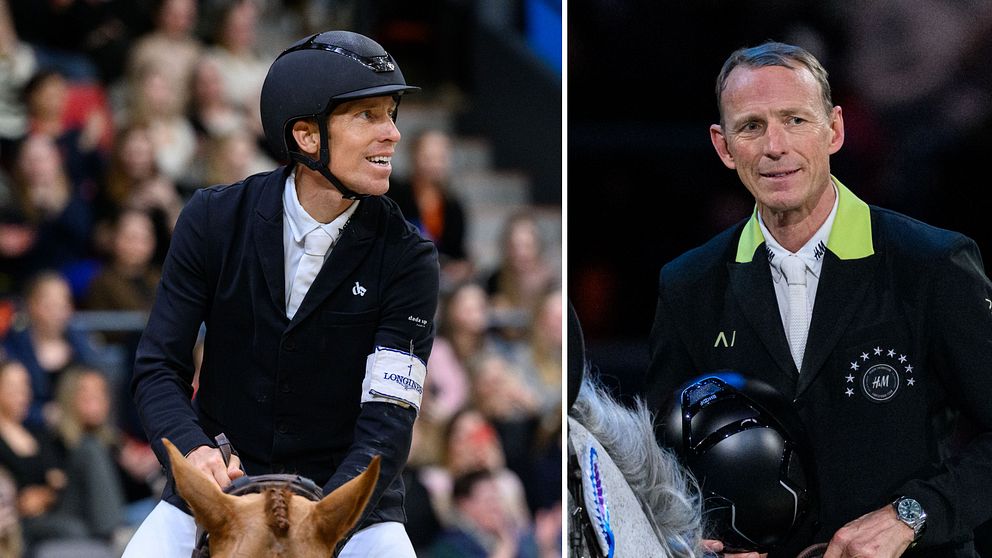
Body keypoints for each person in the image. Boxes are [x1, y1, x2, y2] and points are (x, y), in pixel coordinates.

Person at [644, 41, 992, 558]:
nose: (775, 146)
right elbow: (660, 464)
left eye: (795, 120)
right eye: (751, 126)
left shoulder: (930, 264)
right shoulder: (689, 285)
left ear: (834, 129)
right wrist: (697, 542)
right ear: (723, 146)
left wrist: (912, 515)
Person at [122, 29, 439, 558]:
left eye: (391, 114)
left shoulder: (409, 258)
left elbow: (388, 417)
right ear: (307, 137)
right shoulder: (212, 220)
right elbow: (158, 366)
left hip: (346, 506)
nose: (393, 134)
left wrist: (325, 515)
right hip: (221, 490)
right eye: (368, 116)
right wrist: (194, 452)